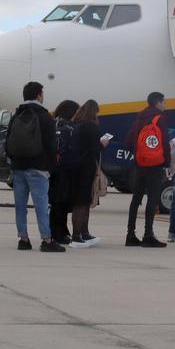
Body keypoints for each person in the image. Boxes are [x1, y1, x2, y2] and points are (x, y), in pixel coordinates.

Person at [7, 81, 64, 252]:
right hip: (38, 167)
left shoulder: (16, 115)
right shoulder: (45, 117)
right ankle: (46, 240)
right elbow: (51, 145)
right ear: (39, 95)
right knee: (41, 206)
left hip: (18, 167)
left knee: (20, 206)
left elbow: (8, 140)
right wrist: (51, 166)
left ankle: (23, 239)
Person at [125, 92, 169, 248]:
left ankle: (130, 235)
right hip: (155, 165)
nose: (165, 105)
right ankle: (148, 235)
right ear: (158, 103)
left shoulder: (140, 118)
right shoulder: (160, 118)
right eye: (163, 102)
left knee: (136, 199)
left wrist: (139, 153)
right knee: (152, 199)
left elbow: (128, 142)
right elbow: (165, 142)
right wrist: (166, 162)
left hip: (140, 164)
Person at [69, 99, 107, 248]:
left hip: (74, 167)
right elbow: (95, 150)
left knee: (80, 202)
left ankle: (83, 234)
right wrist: (102, 144)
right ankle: (77, 236)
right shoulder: (92, 126)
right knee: (83, 202)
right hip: (86, 168)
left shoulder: (75, 124)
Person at [50, 100, 80, 245]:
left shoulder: (54, 124)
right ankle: (59, 233)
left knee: (57, 203)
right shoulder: (70, 128)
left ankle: (58, 231)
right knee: (61, 203)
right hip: (66, 170)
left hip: (54, 169)